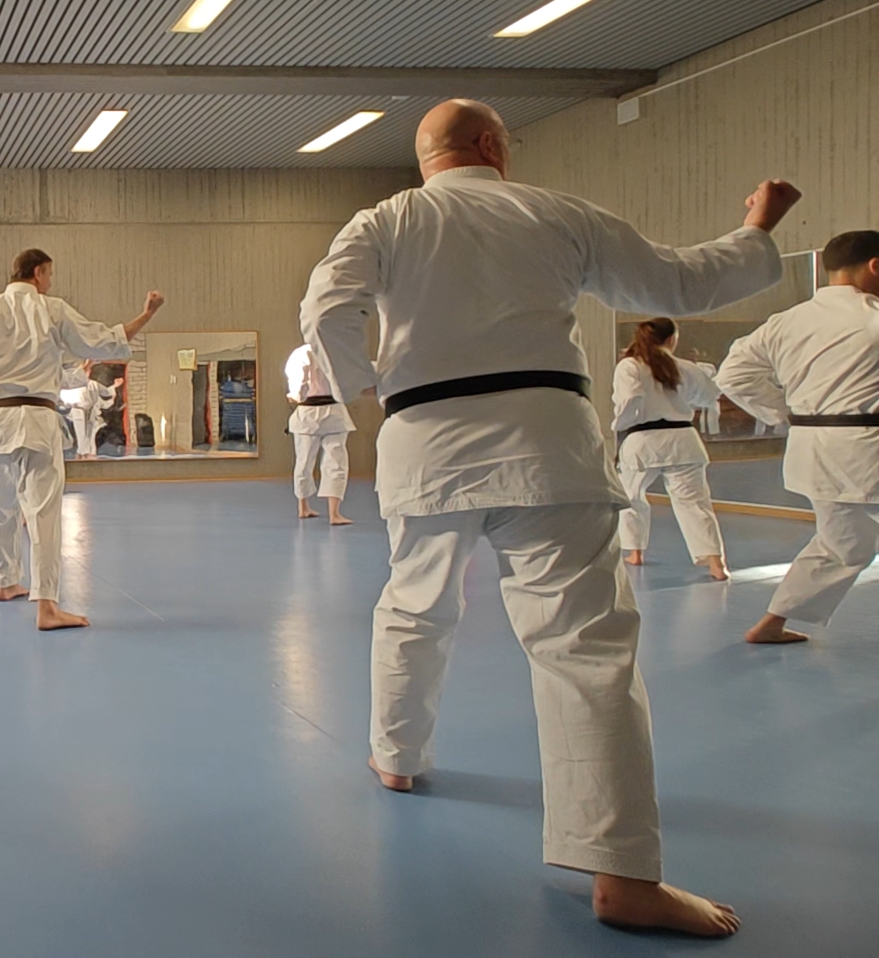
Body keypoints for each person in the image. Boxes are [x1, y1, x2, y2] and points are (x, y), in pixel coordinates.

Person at [300, 98, 797, 936]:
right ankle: (622, 875)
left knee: (414, 608)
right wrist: (757, 228)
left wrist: (370, 382)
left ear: (427, 158)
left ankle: (397, 757)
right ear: (492, 146)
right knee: (584, 650)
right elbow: (677, 280)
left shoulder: (383, 220)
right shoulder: (554, 211)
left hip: (427, 442)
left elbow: (327, 309)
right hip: (548, 442)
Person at [0, 248, 164, 631]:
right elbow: (103, 341)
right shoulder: (51, 310)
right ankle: (46, 608)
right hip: (36, 419)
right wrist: (146, 314)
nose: (50, 282)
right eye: (50, 275)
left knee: (1, 506)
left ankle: (6, 581)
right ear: (38, 272)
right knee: (43, 512)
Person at [716, 229, 879, 645]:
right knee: (845, 543)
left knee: (847, 544)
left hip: (812, 452)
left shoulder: (785, 322)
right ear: (875, 266)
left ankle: (772, 623)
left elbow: (733, 374)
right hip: (867, 451)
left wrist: (785, 413)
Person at [612, 318, 728, 581]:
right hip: (683, 440)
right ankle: (716, 564)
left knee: (631, 497)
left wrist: (619, 427)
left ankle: (636, 552)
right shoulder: (686, 367)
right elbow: (710, 396)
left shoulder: (629, 366)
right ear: (672, 339)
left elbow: (629, 400)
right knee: (695, 503)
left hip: (644, 441)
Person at [284, 343, 354, 525]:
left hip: (307, 413)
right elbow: (347, 381)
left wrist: (295, 396)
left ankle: (303, 506)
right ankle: (334, 513)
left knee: (304, 461)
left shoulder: (300, 353)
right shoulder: (337, 350)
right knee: (336, 461)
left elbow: (297, 384)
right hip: (334, 411)